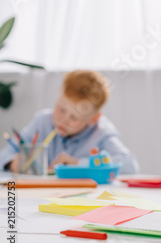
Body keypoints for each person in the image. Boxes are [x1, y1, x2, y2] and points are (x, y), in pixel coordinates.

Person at [0, 70, 139, 174]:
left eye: (74, 118)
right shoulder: (42, 122)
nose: (63, 119)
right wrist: (11, 163)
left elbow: (130, 165)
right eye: (61, 109)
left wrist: (79, 164)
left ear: (93, 119)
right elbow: (5, 154)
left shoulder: (102, 131)